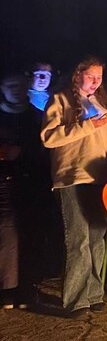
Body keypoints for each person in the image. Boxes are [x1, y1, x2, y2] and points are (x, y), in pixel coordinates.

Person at [41, 57, 107, 317]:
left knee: (97, 238)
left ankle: (94, 294)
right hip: (73, 177)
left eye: (99, 77)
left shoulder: (105, 103)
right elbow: (49, 137)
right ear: (77, 76)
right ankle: (76, 300)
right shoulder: (61, 100)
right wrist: (88, 125)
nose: (96, 81)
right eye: (90, 76)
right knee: (78, 239)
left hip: (100, 179)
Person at [0, 72, 43, 308]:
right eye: (10, 84)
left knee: (31, 233)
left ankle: (28, 286)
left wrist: (25, 153)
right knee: (6, 232)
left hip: (32, 183)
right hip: (3, 183)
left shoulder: (36, 117)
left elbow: (45, 148)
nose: (15, 88)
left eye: (19, 84)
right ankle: (7, 288)